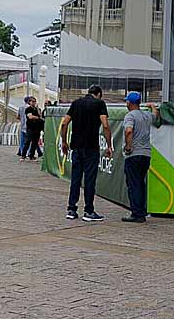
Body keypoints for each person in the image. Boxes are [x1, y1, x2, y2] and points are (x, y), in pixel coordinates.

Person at [60, 84, 112, 222]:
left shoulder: (76, 103)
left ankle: (71, 209)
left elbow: (64, 123)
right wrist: (109, 145)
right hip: (91, 147)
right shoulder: (99, 104)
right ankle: (89, 211)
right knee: (89, 180)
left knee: (75, 179)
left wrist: (64, 141)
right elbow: (105, 125)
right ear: (99, 94)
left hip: (76, 147)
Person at [122, 92, 158, 223]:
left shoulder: (130, 116)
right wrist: (152, 106)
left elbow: (128, 131)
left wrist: (128, 147)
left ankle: (137, 214)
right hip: (146, 155)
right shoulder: (147, 115)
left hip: (134, 155)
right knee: (141, 183)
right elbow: (155, 115)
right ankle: (142, 211)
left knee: (133, 184)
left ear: (129, 103)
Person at [23, 97, 44, 161]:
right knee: (27, 141)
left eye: (35, 101)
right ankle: (23, 155)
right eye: (32, 101)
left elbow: (41, 116)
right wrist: (37, 117)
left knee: (35, 142)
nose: (34, 103)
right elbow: (30, 117)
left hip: (37, 128)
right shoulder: (28, 109)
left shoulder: (37, 109)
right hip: (30, 127)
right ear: (29, 102)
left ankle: (31, 155)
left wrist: (37, 109)